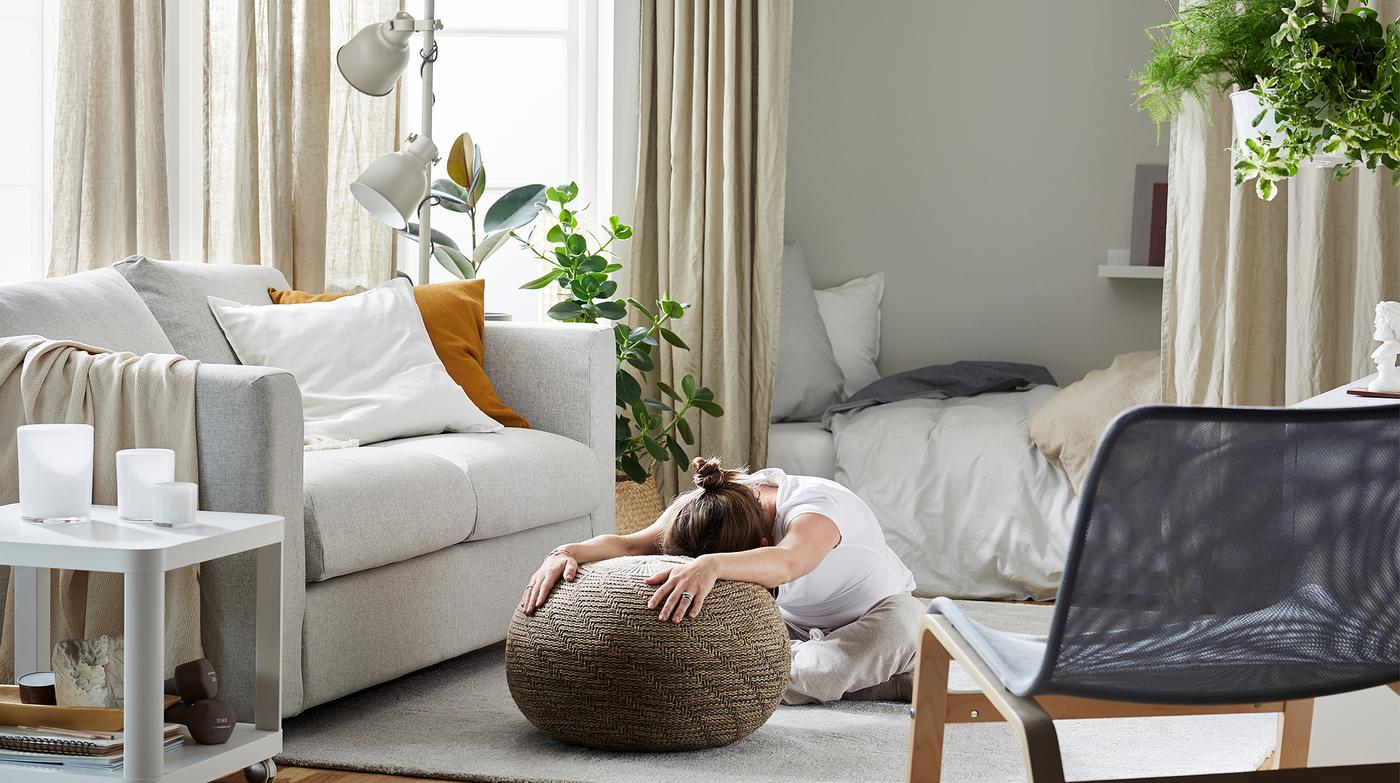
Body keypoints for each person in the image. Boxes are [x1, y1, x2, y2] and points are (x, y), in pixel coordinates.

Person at [520, 457, 924, 704]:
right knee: (696, 651)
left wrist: (711, 566)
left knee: (840, 661)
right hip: (790, 623)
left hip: (881, 612)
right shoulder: (708, 505)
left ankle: (870, 674)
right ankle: (870, 682)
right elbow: (629, 545)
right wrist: (565, 553)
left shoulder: (815, 507)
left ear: (761, 543)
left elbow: (786, 562)